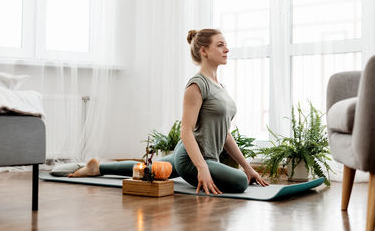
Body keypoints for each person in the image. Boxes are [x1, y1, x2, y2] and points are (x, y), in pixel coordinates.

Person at [69, 28, 269, 195]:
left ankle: (98, 167)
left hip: (195, 154)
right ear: (204, 51)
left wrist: (248, 167)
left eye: (225, 44)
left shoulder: (220, 87)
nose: (227, 49)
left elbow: (224, 134)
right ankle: (97, 168)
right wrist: (202, 168)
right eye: (220, 45)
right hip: (191, 158)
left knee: (149, 170)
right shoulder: (196, 85)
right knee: (240, 182)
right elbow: (186, 131)